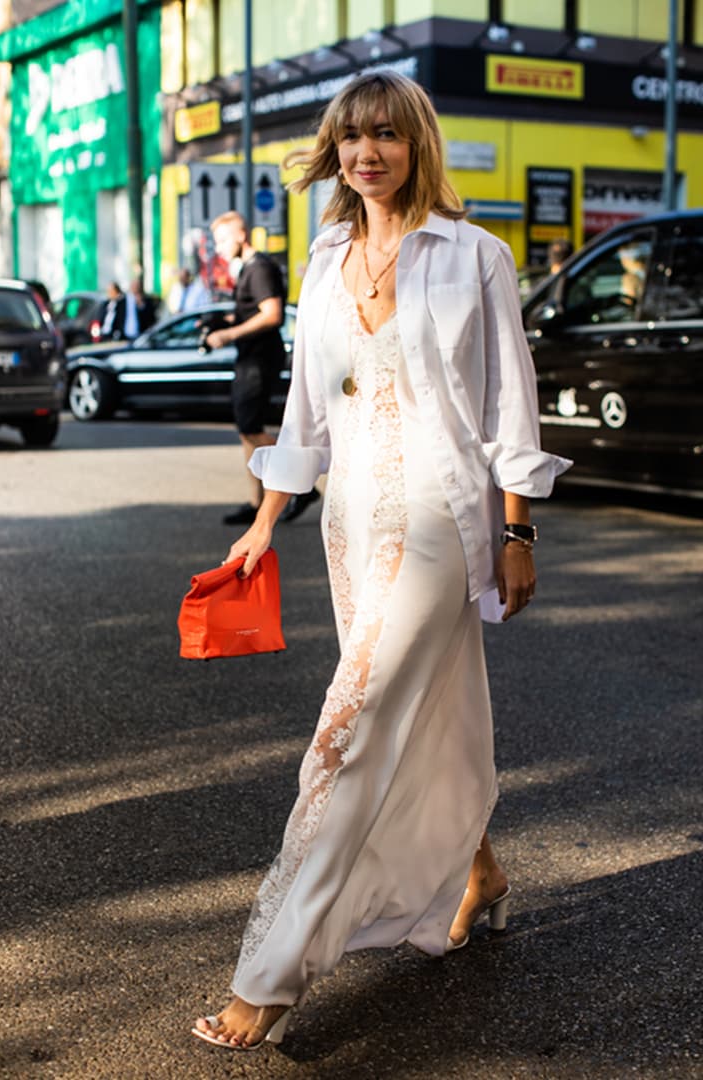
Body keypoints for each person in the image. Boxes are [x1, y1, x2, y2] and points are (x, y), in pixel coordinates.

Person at [191, 69, 571, 1052]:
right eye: (352, 136)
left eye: (387, 136)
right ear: (335, 148)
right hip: (352, 530)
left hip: (444, 526)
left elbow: (509, 407)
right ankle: (480, 869)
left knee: (346, 733)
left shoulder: (474, 255)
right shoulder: (322, 263)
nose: (367, 152)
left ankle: (272, 974)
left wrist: (520, 530)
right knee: (425, 711)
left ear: (417, 145)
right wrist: (267, 516)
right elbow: (306, 414)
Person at [205, 211, 320, 525]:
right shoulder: (247, 270)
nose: (219, 248)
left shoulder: (260, 268)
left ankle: (301, 481)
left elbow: (272, 314)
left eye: (222, 240)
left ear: (241, 236)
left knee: (252, 429)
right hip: (248, 358)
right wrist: (221, 321)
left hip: (260, 359)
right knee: (246, 431)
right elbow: (250, 311)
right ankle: (257, 503)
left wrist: (228, 334)